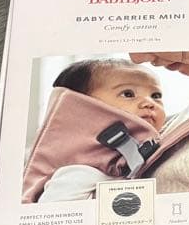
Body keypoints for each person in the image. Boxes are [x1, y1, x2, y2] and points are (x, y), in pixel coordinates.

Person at [35, 58, 167, 202]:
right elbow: (53, 212)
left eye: (156, 96)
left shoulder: (162, 141)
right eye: (128, 94)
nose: (149, 103)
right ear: (84, 107)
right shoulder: (79, 171)